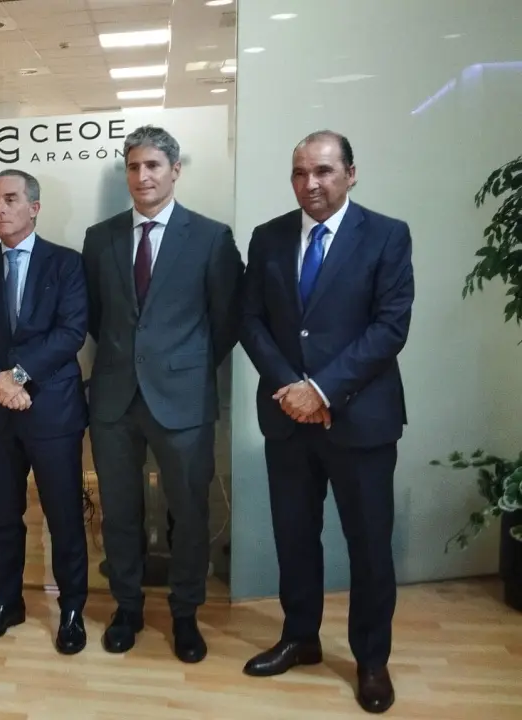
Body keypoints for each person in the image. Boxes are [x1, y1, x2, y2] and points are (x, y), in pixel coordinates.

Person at [239, 130, 413, 714]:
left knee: (369, 546)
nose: (309, 183)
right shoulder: (268, 237)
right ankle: (300, 637)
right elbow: (250, 320)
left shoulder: (386, 235)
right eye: (299, 172)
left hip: (360, 421)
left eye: (323, 171)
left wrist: (321, 390)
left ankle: (371, 660)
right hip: (287, 419)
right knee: (294, 537)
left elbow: (389, 327)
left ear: (350, 173)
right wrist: (291, 387)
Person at [81, 125, 243, 662]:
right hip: (115, 399)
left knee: (189, 514)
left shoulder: (210, 237)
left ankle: (185, 614)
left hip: (183, 399)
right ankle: (127, 608)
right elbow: (97, 316)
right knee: (120, 511)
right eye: (133, 167)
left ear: (175, 170)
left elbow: (226, 319)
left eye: (152, 166)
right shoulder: (100, 238)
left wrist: (184, 366)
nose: (142, 176)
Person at [0, 169, 90, 654]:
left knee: (64, 516)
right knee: (3, 518)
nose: (0, 209)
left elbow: (71, 332)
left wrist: (17, 375)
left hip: (52, 410)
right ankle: (7, 602)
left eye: (10, 199)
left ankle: (71, 609)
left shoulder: (66, 263)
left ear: (34, 207)